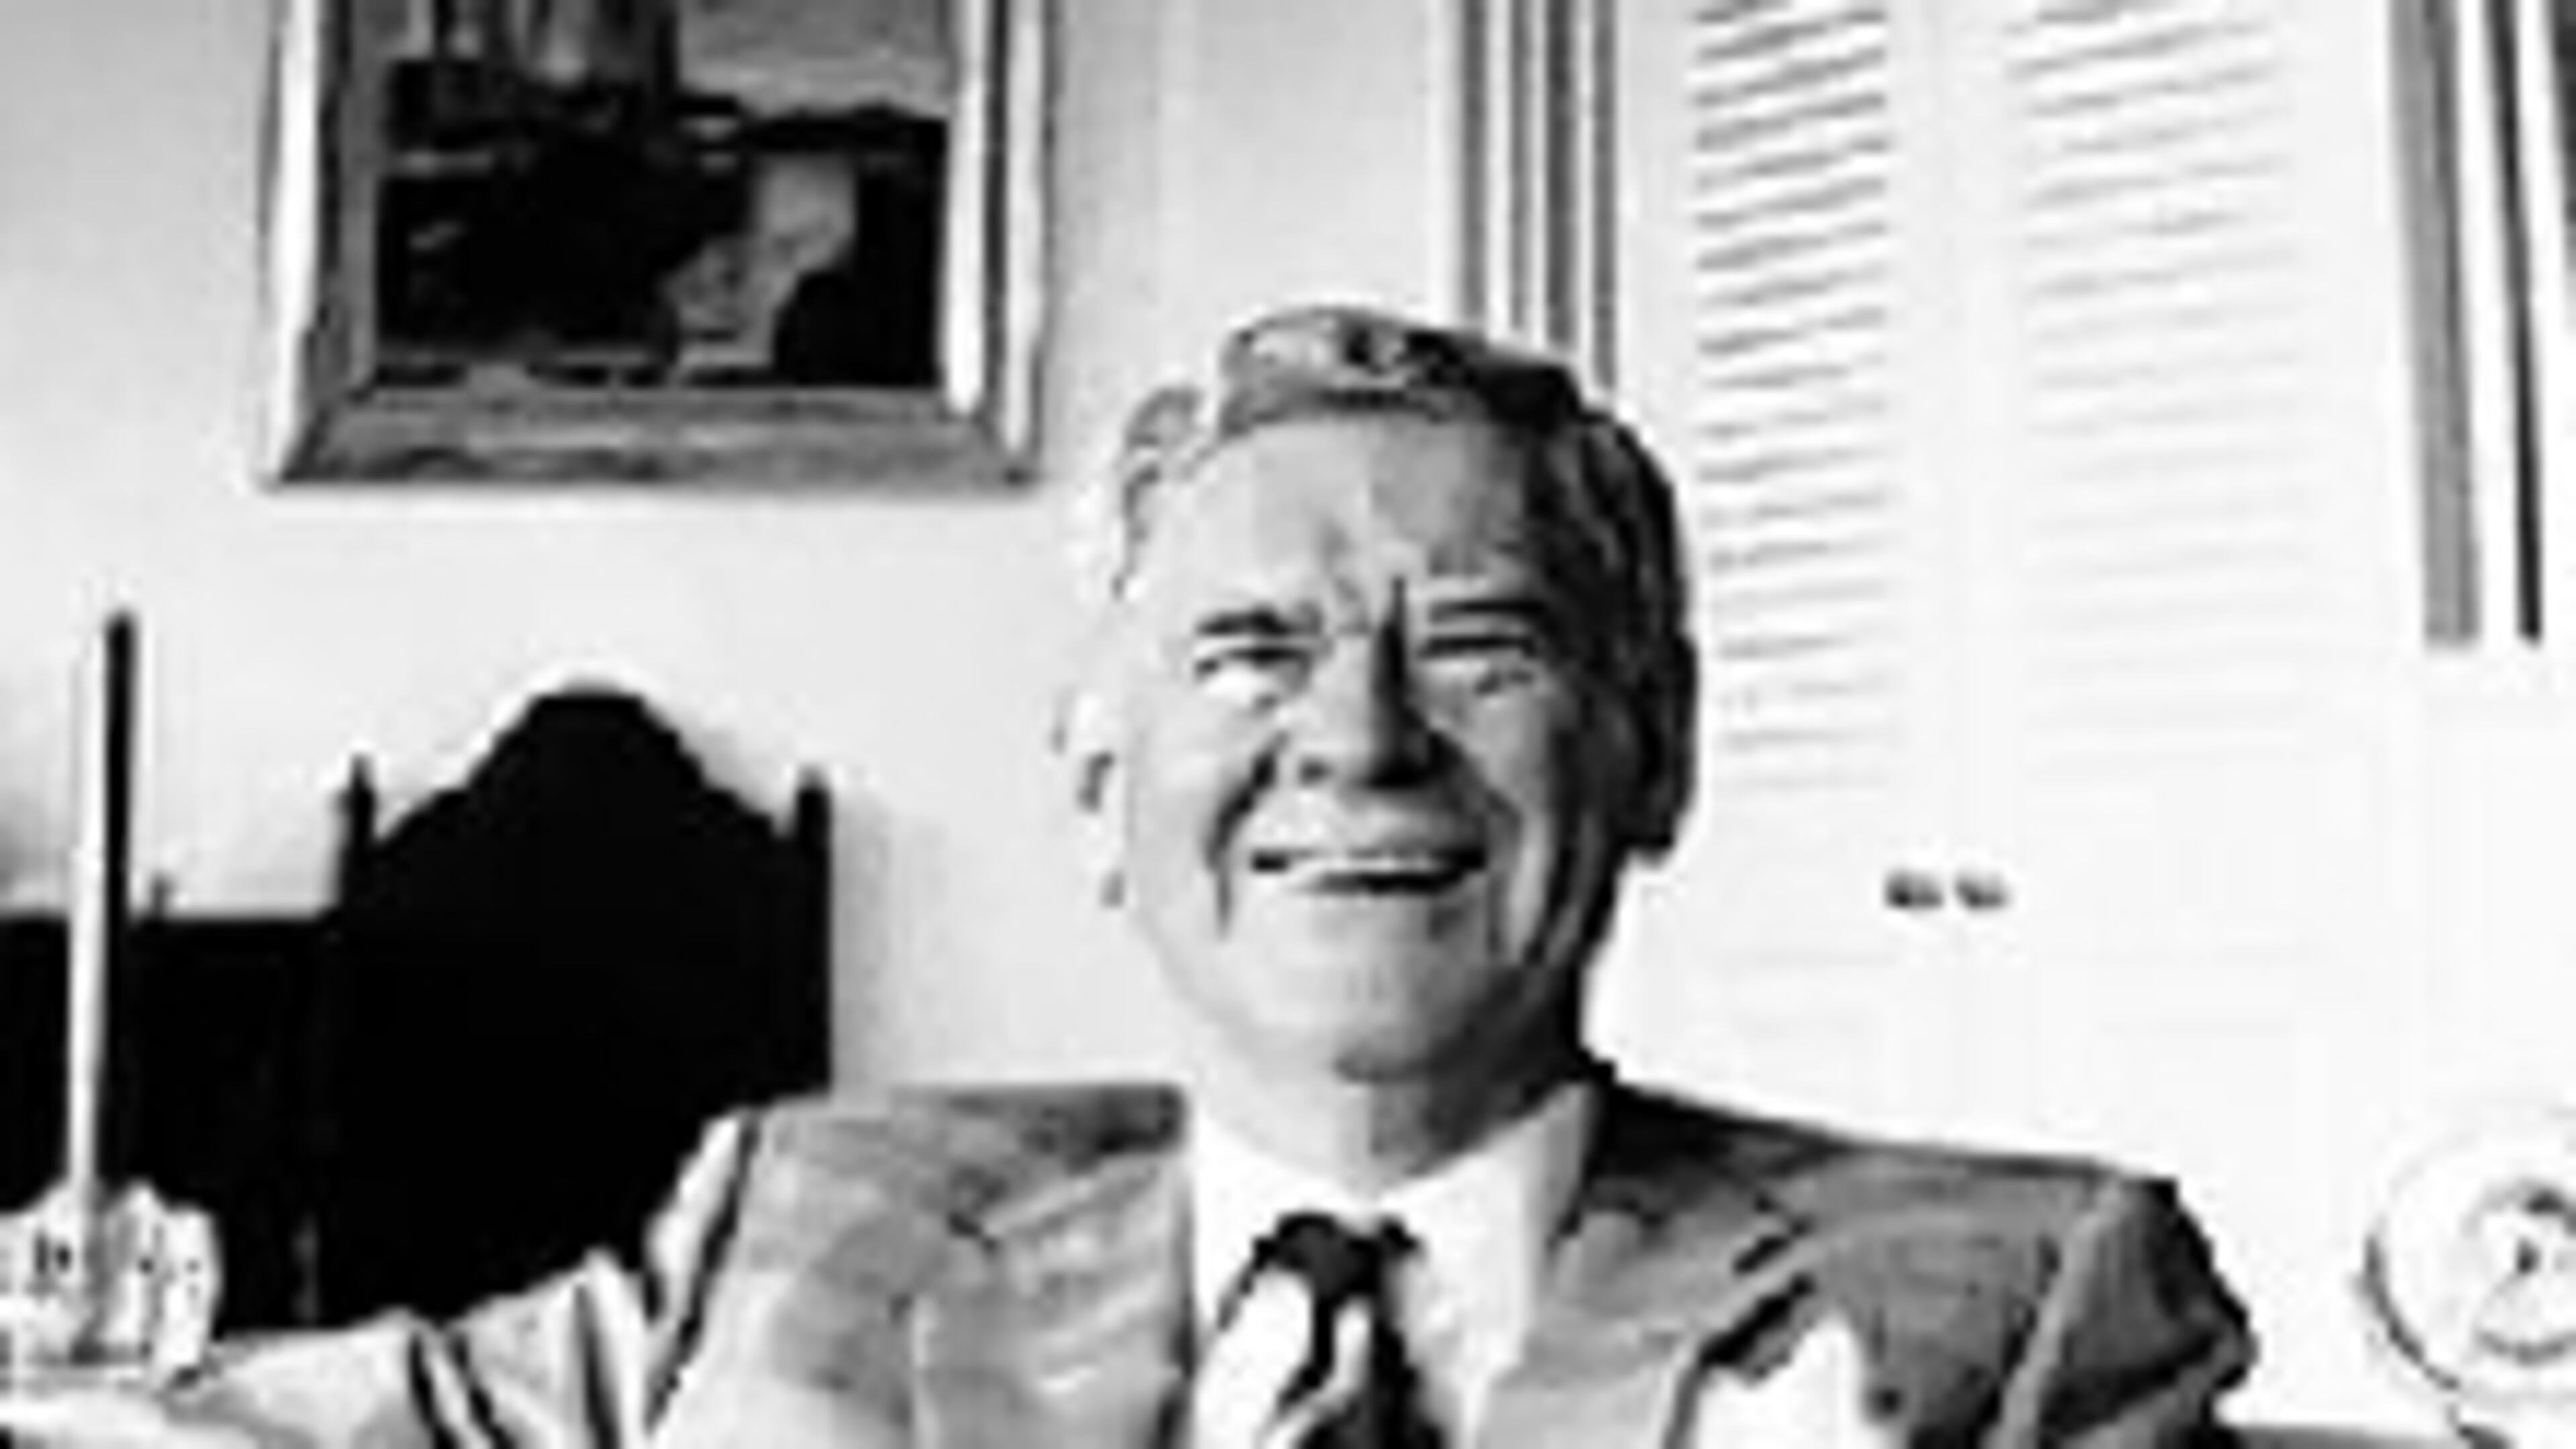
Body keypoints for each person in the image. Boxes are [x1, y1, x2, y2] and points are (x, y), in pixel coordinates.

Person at [0, 305, 2252, 1445]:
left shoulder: (2010, 1312)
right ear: (1099, 788)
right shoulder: (810, 1226)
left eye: (1479, 647)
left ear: (1652, 755)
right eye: (1250, 652)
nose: (1356, 738)